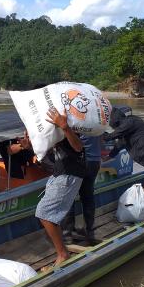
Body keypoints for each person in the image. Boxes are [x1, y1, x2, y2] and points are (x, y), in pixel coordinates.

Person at [35, 108, 86, 267]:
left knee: (43, 213)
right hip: (59, 173)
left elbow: (78, 148)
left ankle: (63, 254)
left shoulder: (67, 125)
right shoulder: (52, 129)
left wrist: (64, 126)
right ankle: (63, 251)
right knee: (49, 215)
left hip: (69, 174)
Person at [62, 134, 103, 245]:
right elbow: (101, 138)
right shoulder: (96, 118)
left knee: (68, 197)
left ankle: (67, 235)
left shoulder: (75, 117)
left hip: (78, 160)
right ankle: (90, 232)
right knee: (88, 196)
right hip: (94, 160)